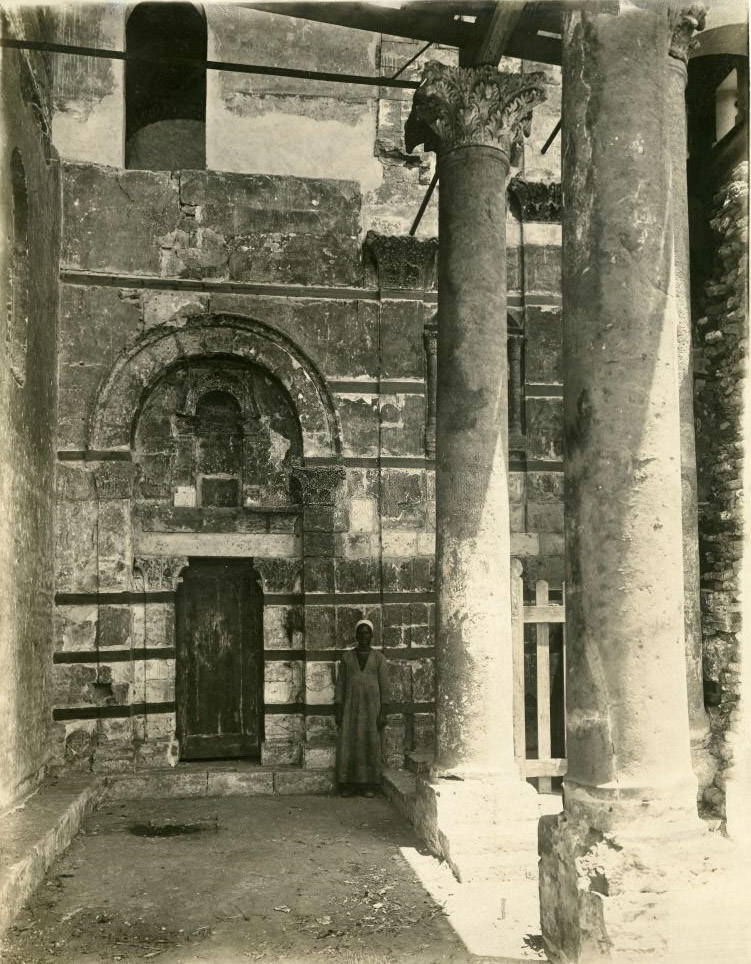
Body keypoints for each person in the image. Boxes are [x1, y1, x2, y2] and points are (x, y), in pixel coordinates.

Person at [334, 619, 389, 797]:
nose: (364, 636)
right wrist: (339, 710)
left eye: (367, 633)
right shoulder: (347, 658)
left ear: (371, 636)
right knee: (349, 744)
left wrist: (383, 713)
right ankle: (348, 784)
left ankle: (369, 785)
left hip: (372, 711)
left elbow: (385, 688)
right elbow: (340, 685)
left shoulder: (379, 658)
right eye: (361, 633)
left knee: (370, 744)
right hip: (351, 710)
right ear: (356, 636)